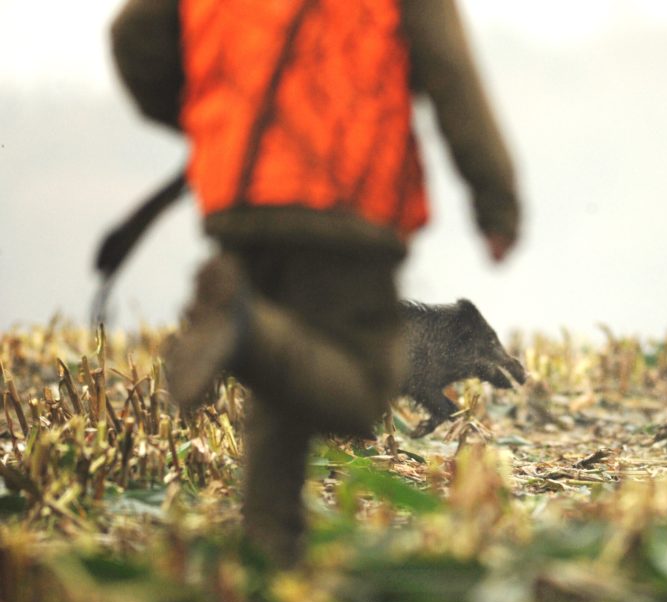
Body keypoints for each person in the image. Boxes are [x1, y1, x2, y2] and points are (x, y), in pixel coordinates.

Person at [110, 0, 521, 566]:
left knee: (285, 379)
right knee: (362, 391)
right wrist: (497, 200)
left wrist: (216, 114)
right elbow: (450, 71)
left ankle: (271, 553)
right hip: (345, 197)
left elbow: (134, 35)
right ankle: (245, 329)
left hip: (242, 199)